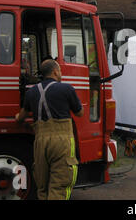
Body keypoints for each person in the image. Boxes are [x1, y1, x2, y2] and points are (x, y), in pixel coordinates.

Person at [16, 59, 84, 200]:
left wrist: (17, 117)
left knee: (42, 186)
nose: (61, 73)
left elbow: (21, 117)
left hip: (40, 142)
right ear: (55, 71)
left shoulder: (31, 92)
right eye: (59, 70)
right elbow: (79, 113)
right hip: (62, 141)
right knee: (60, 185)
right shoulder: (67, 89)